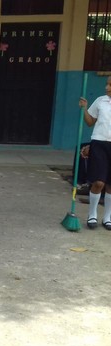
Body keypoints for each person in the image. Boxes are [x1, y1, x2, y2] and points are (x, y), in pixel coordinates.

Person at [79, 75, 111, 230]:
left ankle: (108, 217)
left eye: (110, 85)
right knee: (98, 182)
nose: (107, 88)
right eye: (107, 84)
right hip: (99, 143)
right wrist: (84, 108)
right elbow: (90, 122)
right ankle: (92, 214)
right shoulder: (100, 101)